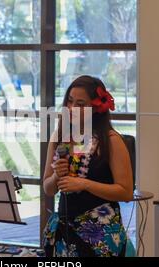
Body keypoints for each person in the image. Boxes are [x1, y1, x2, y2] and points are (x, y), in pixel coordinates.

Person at [42, 75, 134, 257]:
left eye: (80, 104)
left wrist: (84, 184)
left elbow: (126, 192)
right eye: (69, 101)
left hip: (101, 236)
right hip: (65, 233)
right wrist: (56, 176)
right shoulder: (59, 137)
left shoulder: (111, 140)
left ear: (96, 108)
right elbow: (48, 188)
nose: (72, 108)